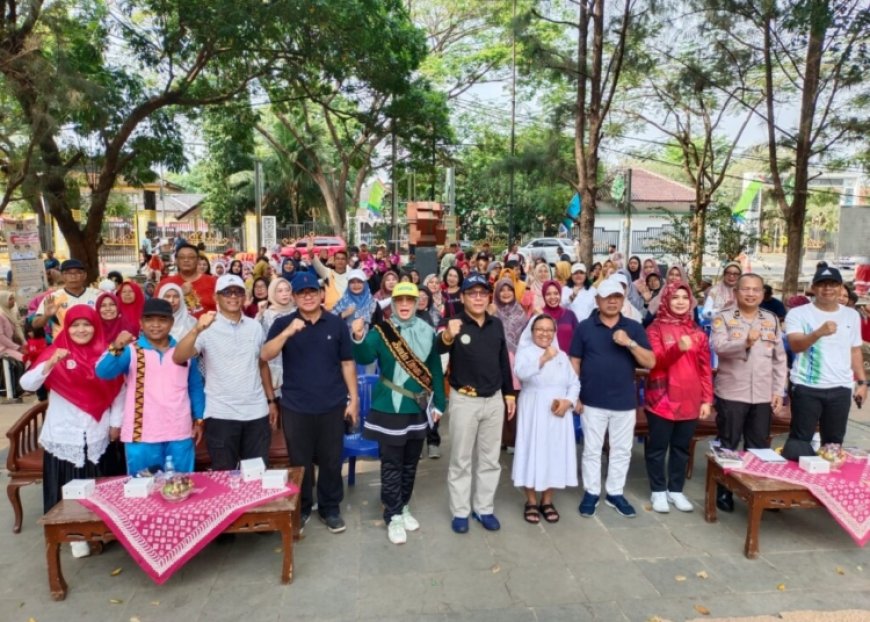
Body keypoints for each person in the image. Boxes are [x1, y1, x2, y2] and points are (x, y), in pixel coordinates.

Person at [21, 306, 124, 557]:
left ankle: (101, 530)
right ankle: (74, 535)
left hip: (97, 429)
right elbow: (27, 384)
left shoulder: (106, 353)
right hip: (64, 432)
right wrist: (49, 364)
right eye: (75, 325)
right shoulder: (54, 351)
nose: (81, 330)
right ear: (67, 328)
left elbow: (118, 390)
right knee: (66, 484)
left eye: (86, 324)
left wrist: (115, 424)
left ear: (95, 327)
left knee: (98, 483)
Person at [261, 271, 358, 534]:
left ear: (321, 294)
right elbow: (265, 354)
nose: (307, 297)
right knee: (299, 460)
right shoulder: (284, 323)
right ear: (293, 297)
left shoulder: (336, 324)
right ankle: (302, 506)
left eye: (312, 292)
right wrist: (287, 334)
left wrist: (354, 399)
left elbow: (347, 363)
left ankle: (330, 508)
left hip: (332, 403)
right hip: (296, 405)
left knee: (330, 458)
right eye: (301, 293)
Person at [350, 283, 446, 544]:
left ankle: (402, 506)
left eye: (409, 300)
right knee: (392, 464)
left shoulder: (428, 331)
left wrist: (440, 403)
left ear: (417, 303)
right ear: (392, 303)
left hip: (417, 408)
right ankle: (392, 515)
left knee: (410, 463)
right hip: (389, 407)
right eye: (399, 300)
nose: (404, 305)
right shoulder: (382, 331)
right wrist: (358, 336)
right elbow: (364, 356)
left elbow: (435, 370)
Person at [173, 274, 278, 471]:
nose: (233, 297)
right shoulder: (207, 326)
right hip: (221, 414)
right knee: (225, 476)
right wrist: (196, 330)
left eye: (238, 292)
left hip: (256, 413)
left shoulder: (255, 327)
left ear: (244, 296)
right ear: (216, 297)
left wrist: (271, 400)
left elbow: (262, 364)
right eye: (226, 292)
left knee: (256, 475)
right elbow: (178, 357)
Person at [570, 279, 655, 519]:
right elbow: (574, 361)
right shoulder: (585, 327)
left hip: (624, 401)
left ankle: (615, 492)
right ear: (597, 300)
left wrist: (629, 343)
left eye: (617, 296)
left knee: (621, 450)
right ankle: (591, 491)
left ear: (623, 299)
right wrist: (575, 394)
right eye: (607, 297)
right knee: (592, 449)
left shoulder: (633, 326)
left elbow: (650, 362)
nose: (612, 301)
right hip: (592, 399)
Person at [438, 273, 516, 534]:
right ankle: (460, 511)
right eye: (473, 293)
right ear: (462, 297)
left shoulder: (496, 324)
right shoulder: (454, 323)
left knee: (490, 459)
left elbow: (503, 359)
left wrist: (509, 393)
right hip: (465, 400)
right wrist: (448, 336)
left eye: (483, 293)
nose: (479, 298)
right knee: (460, 460)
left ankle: (484, 508)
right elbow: (437, 351)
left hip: (493, 400)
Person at [96, 298, 205, 475]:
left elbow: (195, 387)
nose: (155, 325)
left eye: (162, 320)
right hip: (142, 434)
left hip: (179, 430)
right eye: (149, 320)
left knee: (181, 486)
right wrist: (116, 347)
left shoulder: (183, 351)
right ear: (141, 323)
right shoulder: (131, 351)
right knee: (143, 488)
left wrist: (199, 418)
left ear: (171, 323)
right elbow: (103, 372)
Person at [710, 273, 787, 511]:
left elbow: (779, 359)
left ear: (763, 294)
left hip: (763, 394)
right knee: (729, 444)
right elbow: (719, 347)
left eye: (756, 290)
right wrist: (744, 342)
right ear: (736, 292)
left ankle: (757, 492)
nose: (751, 293)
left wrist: (778, 390)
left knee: (758, 445)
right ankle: (725, 491)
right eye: (746, 289)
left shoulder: (771, 319)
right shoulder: (723, 318)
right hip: (732, 392)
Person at [782, 267, 866, 460]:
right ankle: (797, 486)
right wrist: (818, 332)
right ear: (813, 288)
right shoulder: (799, 314)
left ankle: (827, 486)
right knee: (799, 442)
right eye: (822, 284)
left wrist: (862, 383)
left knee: (834, 445)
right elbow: (795, 345)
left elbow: (854, 350)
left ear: (840, 288)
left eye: (833, 284)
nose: (827, 289)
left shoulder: (851, 315)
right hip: (806, 386)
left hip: (841, 387)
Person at [643, 282, 713, 513]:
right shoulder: (654, 329)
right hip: (662, 398)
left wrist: (706, 400)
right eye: (675, 297)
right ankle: (658, 491)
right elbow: (656, 361)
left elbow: (705, 369)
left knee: (682, 448)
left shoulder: (698, 332)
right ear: (666, 300)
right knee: (657, 447)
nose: (681, 301)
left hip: (690, 399)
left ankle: (675, 490)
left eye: (685, 297)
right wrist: (678, 349)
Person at [512, 314, 580, 524]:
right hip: (534, 410)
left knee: (554, 453)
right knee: (532, 451)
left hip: (558, 413)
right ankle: (531, 501)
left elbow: (574, 383)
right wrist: (543, 358)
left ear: (554, 332)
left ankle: (547, 500)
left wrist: (568, 401)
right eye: (540, 329)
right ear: (532, 332)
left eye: (549, 329)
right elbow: (521, 373)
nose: (544, 333)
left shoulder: (562, 355)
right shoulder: (525, 353)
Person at [33, 259, 101, 340]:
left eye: (78, 272)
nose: (73, 276)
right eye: (68, 273)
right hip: (63, 345)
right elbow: (35, 324)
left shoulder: (98, 295)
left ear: (84, 275)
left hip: (94, 341)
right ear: (62, 276)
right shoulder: (53, 298)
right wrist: (46, 316)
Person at [159, 243, 218, 318]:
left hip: (209, 328)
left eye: (191, 257)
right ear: (176, 260)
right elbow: (158, 311)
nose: (186, 260)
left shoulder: (213, 282)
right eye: (182, 257)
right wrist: (181, 294)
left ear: (198, 260)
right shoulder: (165, 284)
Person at [308, 235, 350, 310]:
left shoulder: (352, 275)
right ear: (334, 261)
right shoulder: (327, 273)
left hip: (348, 313)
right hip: (331, 313)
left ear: (347, 261)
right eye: (337, 259)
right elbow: (316, 263)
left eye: (343, 259)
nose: (340, 261)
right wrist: (310, 251)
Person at [541, 280, 578, 353]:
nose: (552, 297)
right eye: (548, 294)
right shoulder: (539, 315)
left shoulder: (570, 314)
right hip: (546, 360)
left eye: (556, 293)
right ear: (543, 296)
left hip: (567, 361)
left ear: (560, 294)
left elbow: (578, 339)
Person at [0, 291, 25, 362]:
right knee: (26, 360)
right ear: (3, 301)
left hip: (10, 346)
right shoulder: (1, 315)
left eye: (13, 298)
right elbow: (1, 337)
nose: (13, 301)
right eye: (10, 299)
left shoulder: (9, 313)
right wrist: (17, 347)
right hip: (3, 349)